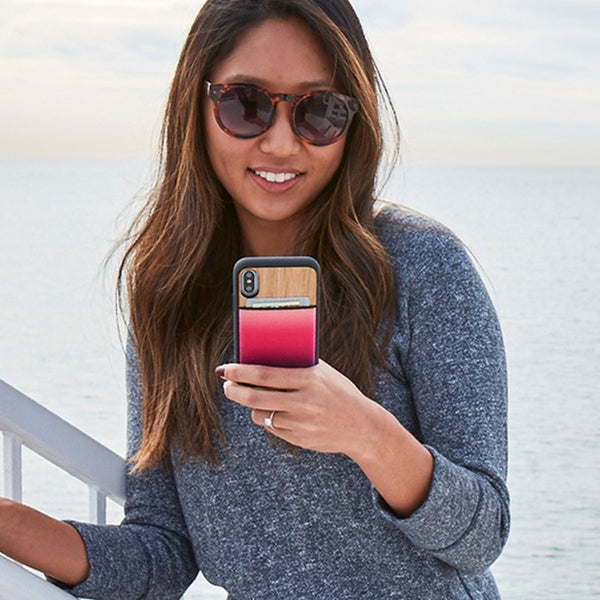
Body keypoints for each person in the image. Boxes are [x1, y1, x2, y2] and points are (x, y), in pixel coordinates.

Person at [0, 0, 510, 598]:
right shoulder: (168, 289)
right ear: (197, 106)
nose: (281, 142)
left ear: (353, 122)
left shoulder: (423, 268)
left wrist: (367, 434)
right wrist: (9, 523)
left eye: (318, 112)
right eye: (246, 104)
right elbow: (162, 549)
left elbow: (483, 535)